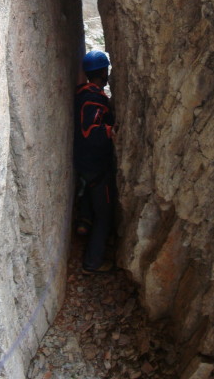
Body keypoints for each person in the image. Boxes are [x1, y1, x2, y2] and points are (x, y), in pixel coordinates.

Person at [74, 50, 118, 273]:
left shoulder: (85, 94)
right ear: (102, 72)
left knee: (91, 199)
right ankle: (92, 263)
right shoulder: (93, 98)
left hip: (85, 163)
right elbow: (90, 132)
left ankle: (84, 220)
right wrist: (109, 131)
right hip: (96, 166)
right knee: (104, 215)